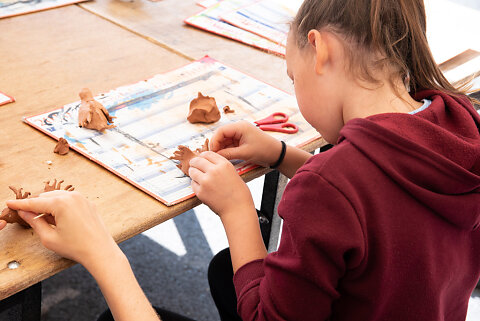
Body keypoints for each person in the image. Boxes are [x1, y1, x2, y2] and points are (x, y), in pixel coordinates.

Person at [3, 0, 479, 320]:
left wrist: (100, 250)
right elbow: (377, 202)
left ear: (321, 51)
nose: (294, 88)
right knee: (225, 269)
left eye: (292, 78)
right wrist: (281, 154)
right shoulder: (459, 129)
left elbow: (340, 195)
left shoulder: (329, 187)